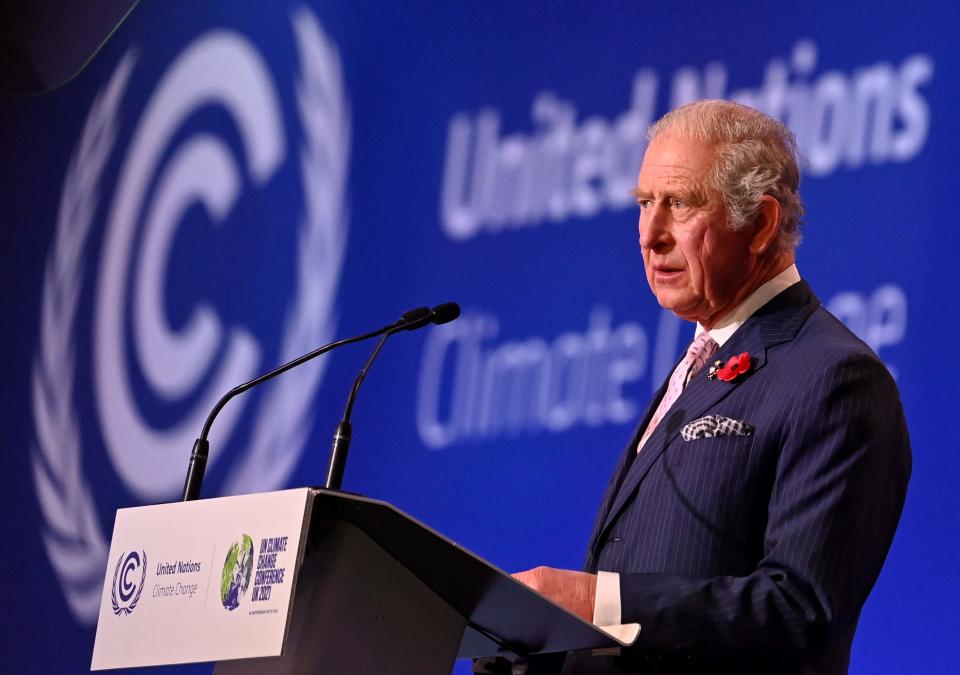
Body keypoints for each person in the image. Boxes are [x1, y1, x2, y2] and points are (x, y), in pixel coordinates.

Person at [513, 100, 911, 674]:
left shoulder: (834, 377)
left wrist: (595, 603)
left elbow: (800, 610)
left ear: (761, 224)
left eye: (680, 203)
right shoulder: (699, 361)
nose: (651, 235)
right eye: (646, 203)